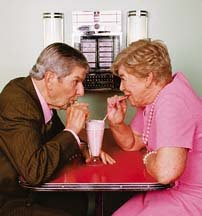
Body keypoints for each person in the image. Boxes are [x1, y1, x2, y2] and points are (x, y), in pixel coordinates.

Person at [0, 42, 115, 216]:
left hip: (31, 190)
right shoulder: (18, 103)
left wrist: (84, 147)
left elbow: (56, 137)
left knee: (77, 201)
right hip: (11, 199)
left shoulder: (41, 97)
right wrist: (71, 131)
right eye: (76, 81)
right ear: (50, 79)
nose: (81, 91)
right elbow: (34, 172)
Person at [106, 39, 202, 216]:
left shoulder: (172, 101)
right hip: (169, 191)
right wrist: (117, 123)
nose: (121, 87)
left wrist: (148, 157)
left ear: (148, 78)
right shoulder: (153, 99)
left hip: (193, 197)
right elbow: (133, 142)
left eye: (124, 78)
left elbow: (166, 172)